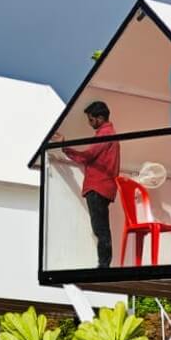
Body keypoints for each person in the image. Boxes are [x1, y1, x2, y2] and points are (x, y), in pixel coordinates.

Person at [53, 101, 120, 269]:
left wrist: (64, 147)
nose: (90, 123)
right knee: (101, 227)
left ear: (100, 118)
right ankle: (104, 264)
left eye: (91, 120)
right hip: (105, 187)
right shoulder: (110, 134)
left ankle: (104, 266)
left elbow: (87, 156)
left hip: (97, 186)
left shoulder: (105, 134)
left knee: (100, 229)